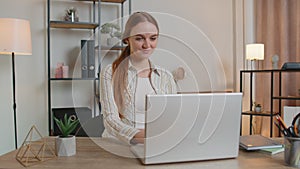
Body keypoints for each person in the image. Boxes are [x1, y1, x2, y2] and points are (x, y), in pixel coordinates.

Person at [100, 11, 177, 145]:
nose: (147, 45)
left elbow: (172, 117)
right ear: (127, 39)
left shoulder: (166, 77)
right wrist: (145, 137)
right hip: (119, 146)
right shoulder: (110, 72)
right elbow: (110, 120)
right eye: (139, 38)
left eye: (153, 38)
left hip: (156, 144)